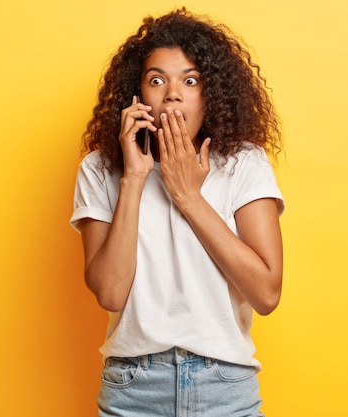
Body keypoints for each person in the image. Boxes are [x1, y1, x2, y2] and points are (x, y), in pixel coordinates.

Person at [70, 8, 284, 417]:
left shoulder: (244, 164)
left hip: (225, 387)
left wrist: (188, 196)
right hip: (132, 386)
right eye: (156, 80)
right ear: (136, 95)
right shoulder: (100, 169)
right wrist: (134, 178)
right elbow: (110, 292)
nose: (172, 93)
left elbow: (267, 293)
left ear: (212, 94)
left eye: (190, 80)